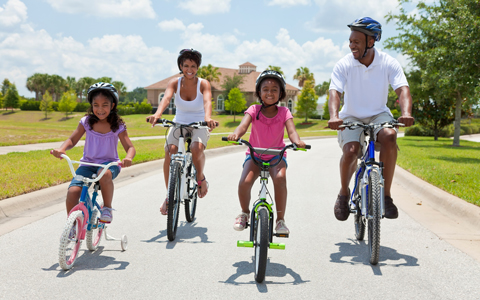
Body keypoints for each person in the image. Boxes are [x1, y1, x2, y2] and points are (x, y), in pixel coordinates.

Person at [327, 17, 415, 221]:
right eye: (350, 41)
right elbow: (335, 92)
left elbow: (403, 90)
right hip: (351, 115)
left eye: (356, 41)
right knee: (351, 152)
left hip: (378, 113)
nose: (351, 46)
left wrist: (406, 113)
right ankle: (343, 193)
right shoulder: (344, 64)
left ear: (371, 41)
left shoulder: (388, 62)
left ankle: (386, 196)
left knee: (390, 137)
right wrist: (334, 116)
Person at [227, 70, 306, 235]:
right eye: (265, 89)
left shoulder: (284, 112)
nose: (269, 93)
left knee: (280, 179)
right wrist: (236, 134)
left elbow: (292, 132)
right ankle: (244, 213)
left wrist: (297, 141)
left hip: (277, 157)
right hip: (255, 155)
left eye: (274, 89)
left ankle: (280, 221)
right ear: (259, 92)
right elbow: (242, 126)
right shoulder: (254, 110)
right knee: (244, 182)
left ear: (281, 93)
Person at [51, 82, 136, 223]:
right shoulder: (86, 122)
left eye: (105, 105)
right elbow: (72, 139)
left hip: (109, 165)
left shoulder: (118, 125)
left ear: (112, 105)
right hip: (87, 164)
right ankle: (71, 225)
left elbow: (130, 147)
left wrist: (128, 157)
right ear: (91, 105)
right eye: (96, 105)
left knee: (104, 174)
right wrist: (62, 149)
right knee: (73, 192)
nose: (100, 109)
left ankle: (107, 208)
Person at [146, 48, 218, 215]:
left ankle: (200, 177)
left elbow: (207, 101)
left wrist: (208, 118)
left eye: (193, 66)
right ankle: (168, 196)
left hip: (199, 123)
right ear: (180, 66)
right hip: (179, 122)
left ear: (198, 67)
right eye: (186, 65)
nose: (189, 69)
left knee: (196, 148)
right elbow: (166, 99)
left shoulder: (203, 83)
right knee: (170, 151)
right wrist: (157, 114)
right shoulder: (174, 82)